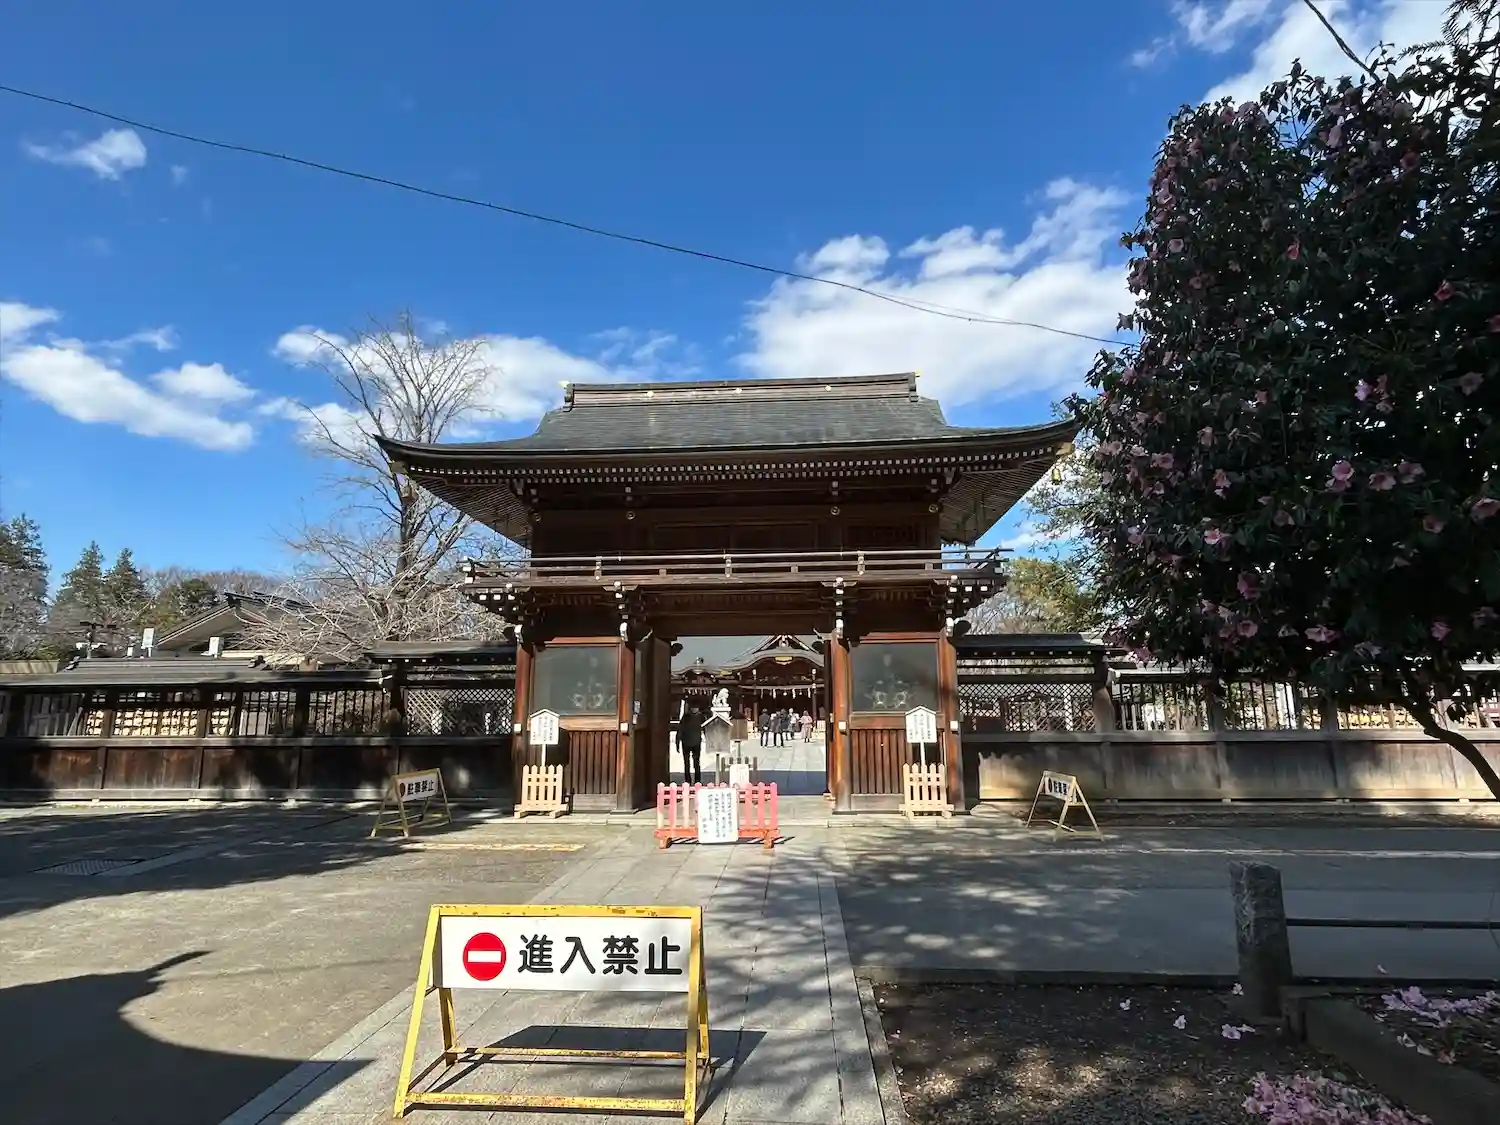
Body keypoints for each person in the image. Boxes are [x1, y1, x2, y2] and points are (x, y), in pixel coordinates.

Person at [678, 703, 704, 784]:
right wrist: (677, 742)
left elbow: (680, 730)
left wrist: (677, 742)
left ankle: (692, 780)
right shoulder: (698, 717)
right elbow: (680, 730)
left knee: (692, 763)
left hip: (690, 742)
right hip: (690, 742)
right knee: (691, 763)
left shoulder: (700, 717)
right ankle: (694, 781)